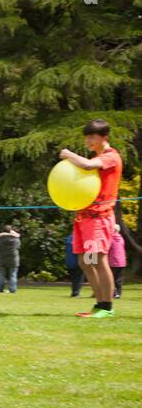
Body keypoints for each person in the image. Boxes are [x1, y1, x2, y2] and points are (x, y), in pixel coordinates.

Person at [60, 119, 123, 318]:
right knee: (86, 261)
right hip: (84, 218)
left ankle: (107, 307)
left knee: (98, 259)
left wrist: (68, 154)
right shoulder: (97, 158)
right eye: (86, 136)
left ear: (104, 137)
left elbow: (87, 166)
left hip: (99, 218)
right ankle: (99, 303)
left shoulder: (110, 157)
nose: (88, 140)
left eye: (92, 136)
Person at [0, 225, 20, 293]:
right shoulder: (16, 239)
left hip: (2, 258)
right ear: (11, 231)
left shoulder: (0, 239)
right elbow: (19, 247)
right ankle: (13, 289)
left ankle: (0, 289)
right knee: (13, 275)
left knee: (1, 275)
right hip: (14, 259)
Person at [108, 226, 125, 299]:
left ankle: (115, 294)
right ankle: (119, 293)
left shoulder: (110, 239)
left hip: (112, 261)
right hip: (121, 262)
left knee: (111, 278)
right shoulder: (121, 239)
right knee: (119, 279)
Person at [66, 233, 83, 297]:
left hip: (70, 261)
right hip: (78, 261)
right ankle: (76, 292)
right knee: (79, 278)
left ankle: (74, 291)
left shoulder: (69, 237)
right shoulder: (81, 237)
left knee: (74, 278)